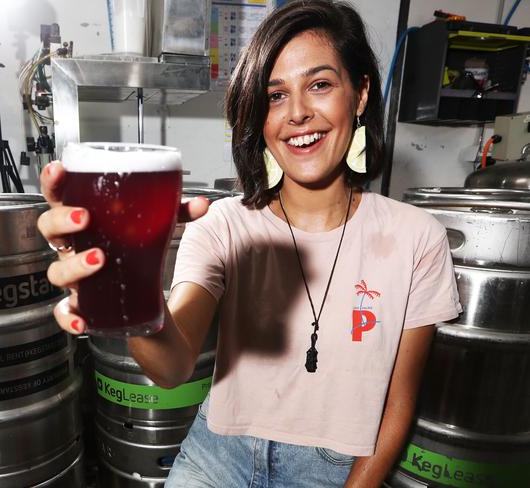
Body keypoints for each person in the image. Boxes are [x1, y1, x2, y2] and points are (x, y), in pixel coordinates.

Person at [37, 1, 462, 486]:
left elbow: (398, 402)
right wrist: (122, 282)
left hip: (330, 470)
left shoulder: (416, 237)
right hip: (217, 455)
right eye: (274, 96)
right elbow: (172, 366)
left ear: (361, 93)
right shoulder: (224, 225)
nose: (298, 113)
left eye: (319, 85)